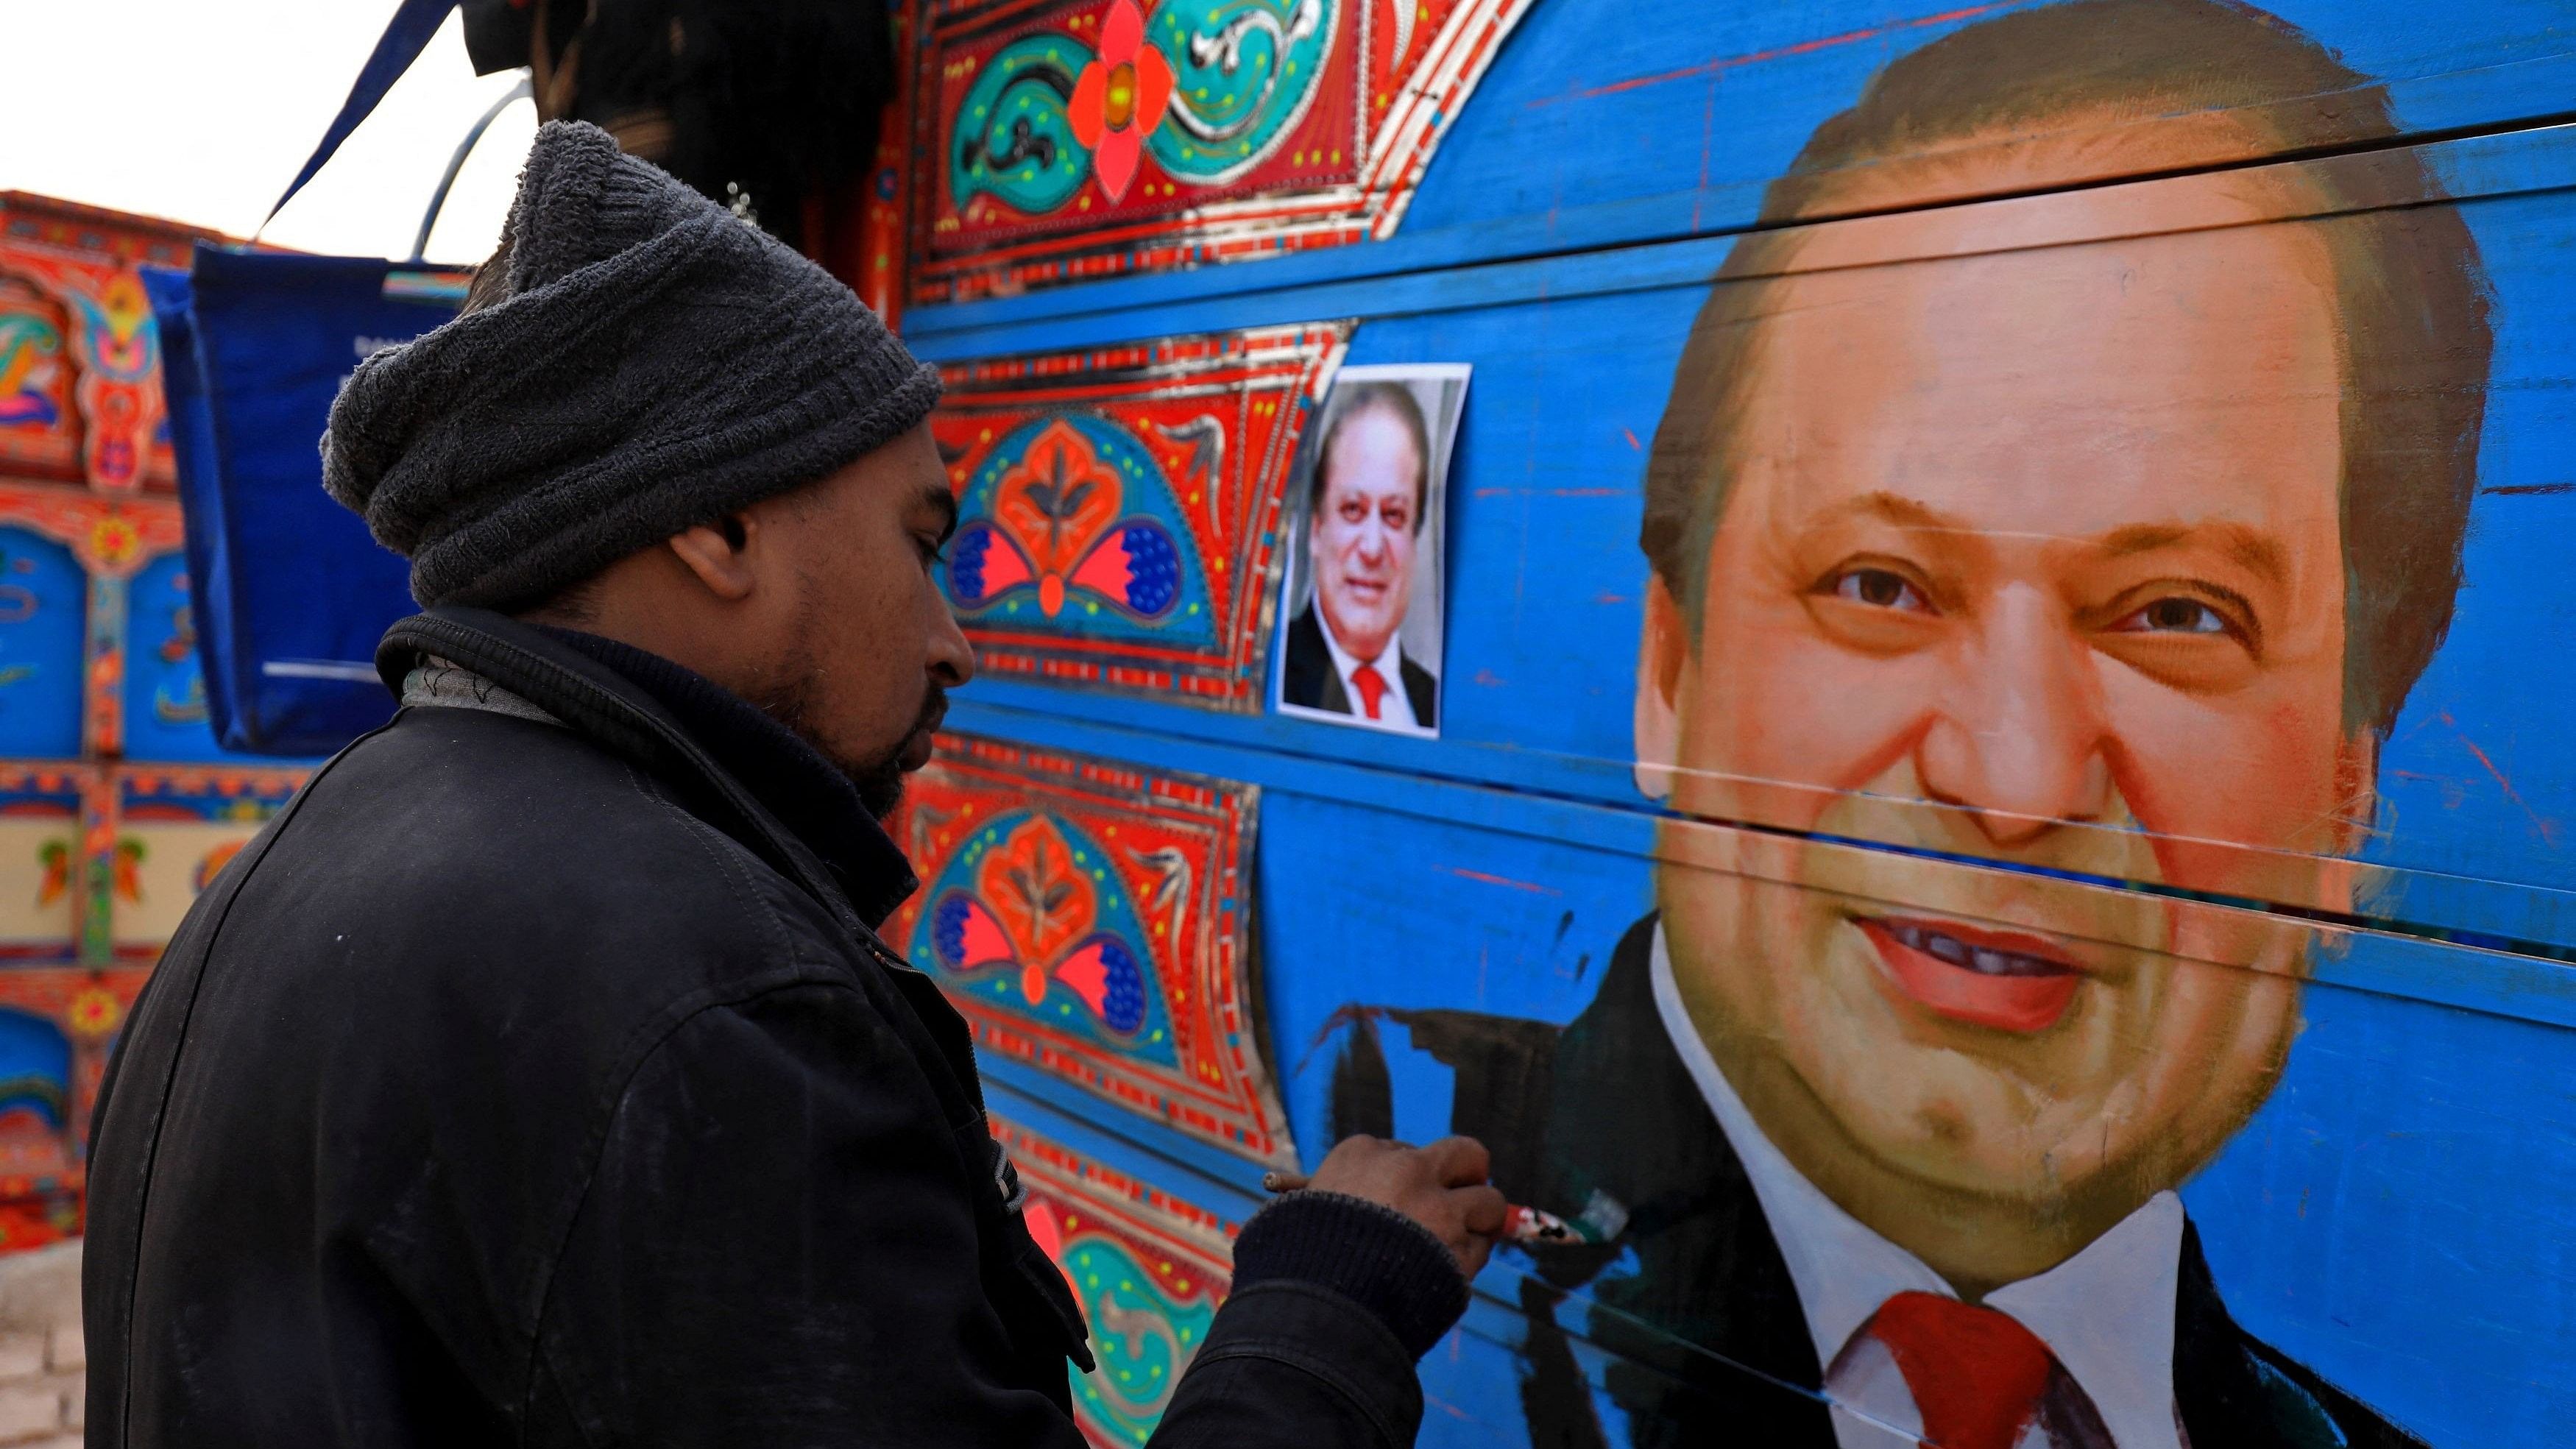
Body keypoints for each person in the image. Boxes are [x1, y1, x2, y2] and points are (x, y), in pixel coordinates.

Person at [82, 121, 1504, 1448]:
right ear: (717, 523)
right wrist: (1335, 1294)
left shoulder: (308, 857)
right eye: (919, 538)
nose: (953, 638)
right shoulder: (708, 1006)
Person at [1329, 2, 2490, 1445]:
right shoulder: (1381, 1287)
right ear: (1672, 675)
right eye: (1878, 585)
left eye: (2176, 614)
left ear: (2344, 791)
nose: (2011, 778)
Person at [1281, 383, 1439, 731]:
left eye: (1394, 515)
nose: (1371, 549)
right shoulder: (1271, 675)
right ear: (1317, 530)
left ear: (1415, 539)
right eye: (1353, 510)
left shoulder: (1436, 702)